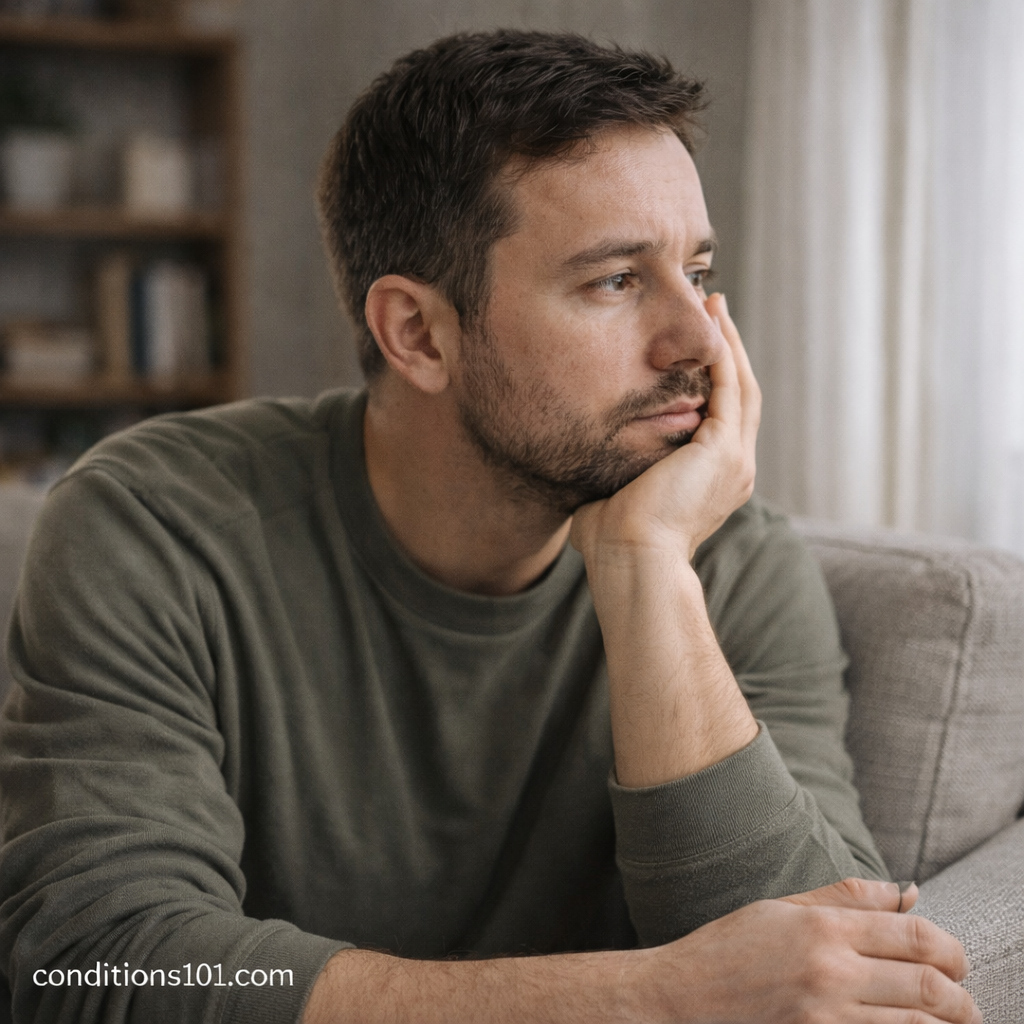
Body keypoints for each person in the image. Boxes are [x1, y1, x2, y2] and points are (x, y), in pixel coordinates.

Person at [0, 29, 980, 1024]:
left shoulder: (728, 562)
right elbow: (99, 963)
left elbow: (825, 975)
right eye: (615, 280)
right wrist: (653, 998)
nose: (696, 338)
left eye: (696, 268)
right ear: (419, 332)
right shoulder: (156, 525)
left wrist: (644, 571)